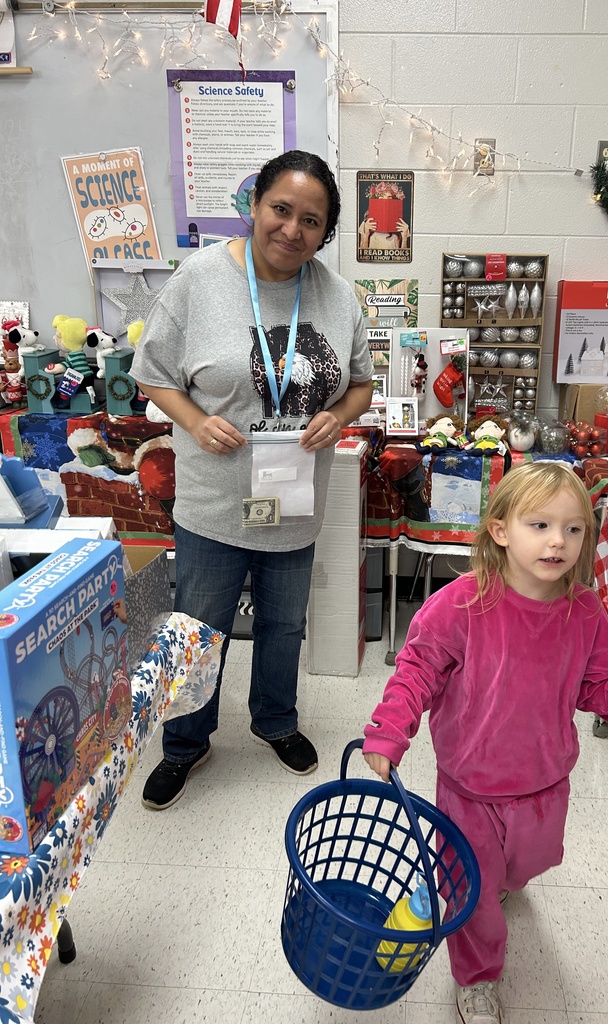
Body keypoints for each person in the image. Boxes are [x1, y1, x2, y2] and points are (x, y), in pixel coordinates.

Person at [362, 461, 608, 1024]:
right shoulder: (461, 604)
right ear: (500, 529)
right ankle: (475, 977)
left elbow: (603, 689)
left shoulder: (585, 611)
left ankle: (498, 883)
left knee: (527, 865)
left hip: (545, 784)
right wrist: (389, 730)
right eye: (539, 525)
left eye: (572, 529)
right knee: (470, 891)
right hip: (469, 786)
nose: (558, 541)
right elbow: (415, 669)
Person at [131, 150, 374, 810]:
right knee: (198, 628)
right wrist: (195, 420)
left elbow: (360, 385)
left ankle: (275, 720)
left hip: (293, 502)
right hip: (213, 502)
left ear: (326, 231)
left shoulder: (337, 295)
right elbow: (151, 371)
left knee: (282, 626)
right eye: (281, 210)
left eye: (312, 220)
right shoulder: (198, 279)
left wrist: (338, 417)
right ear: (255, 207)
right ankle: (184, 743)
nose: (293, 229)